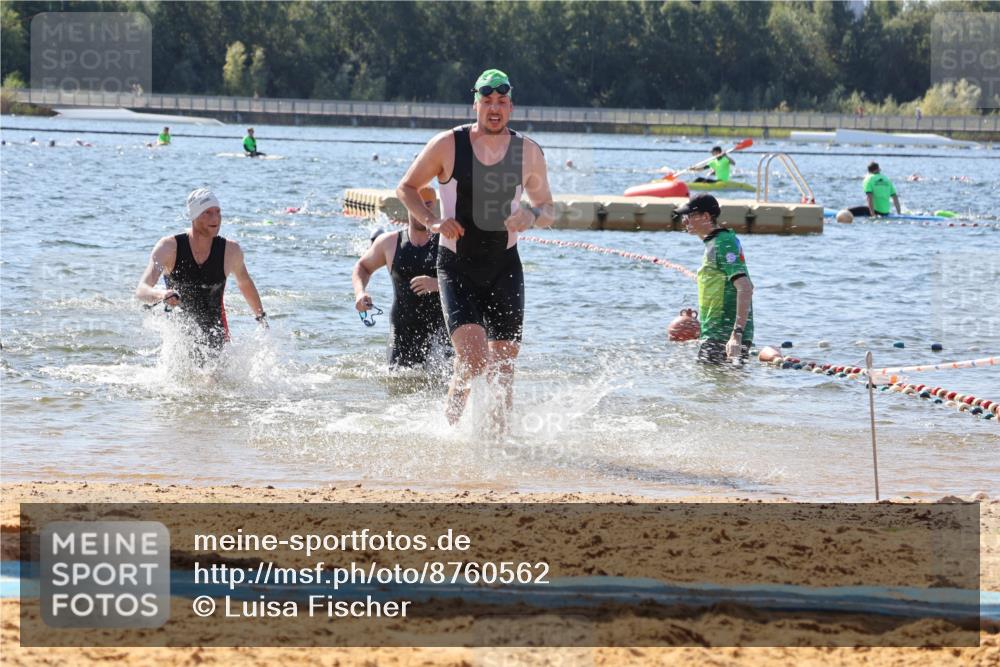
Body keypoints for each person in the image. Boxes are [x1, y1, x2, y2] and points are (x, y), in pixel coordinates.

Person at [396, 68, 554, 426]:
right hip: (456, 266)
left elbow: (548, 208)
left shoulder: (527, 151)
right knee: (472, 360)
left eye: (501, 101)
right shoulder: (448, 145)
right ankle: (451, 434)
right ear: (475, 104)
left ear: (510, 107)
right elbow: (405, 188)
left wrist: (530, 215)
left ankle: (497, 447)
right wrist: (433, 222)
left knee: (502, 370)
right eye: (487, 101)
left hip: (504, 267)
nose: (494, 108)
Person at [135, 188, 266, 352]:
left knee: (213, 377)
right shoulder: (169, 247)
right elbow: (142, 290)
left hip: (217, 336)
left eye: (218, 212)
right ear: (193, 215)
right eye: (207, 213)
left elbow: (244, 283)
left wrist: (261, 318)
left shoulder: (230, 251)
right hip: (179, 337)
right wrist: (163, 295)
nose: (215, 218)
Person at [353, 186, 451, 370]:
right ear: (409, 207)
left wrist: (437, 284)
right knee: (397, 388)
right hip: (402, 333)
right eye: (419, 208)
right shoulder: (389, 243)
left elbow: (471, 279)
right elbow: (362, 267)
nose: (424, 213)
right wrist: (360, 293)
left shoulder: (448, 242)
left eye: (428, 207)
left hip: (442, 334)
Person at [679, 194, 754, 364]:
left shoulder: (723, 242)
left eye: (690, 216)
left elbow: (745, 287)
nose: (685, 221)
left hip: (725, 336)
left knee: (713, 386)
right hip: (715, 333)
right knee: (717, 388)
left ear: (706, 216)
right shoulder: (714, 242)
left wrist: (736, 334)